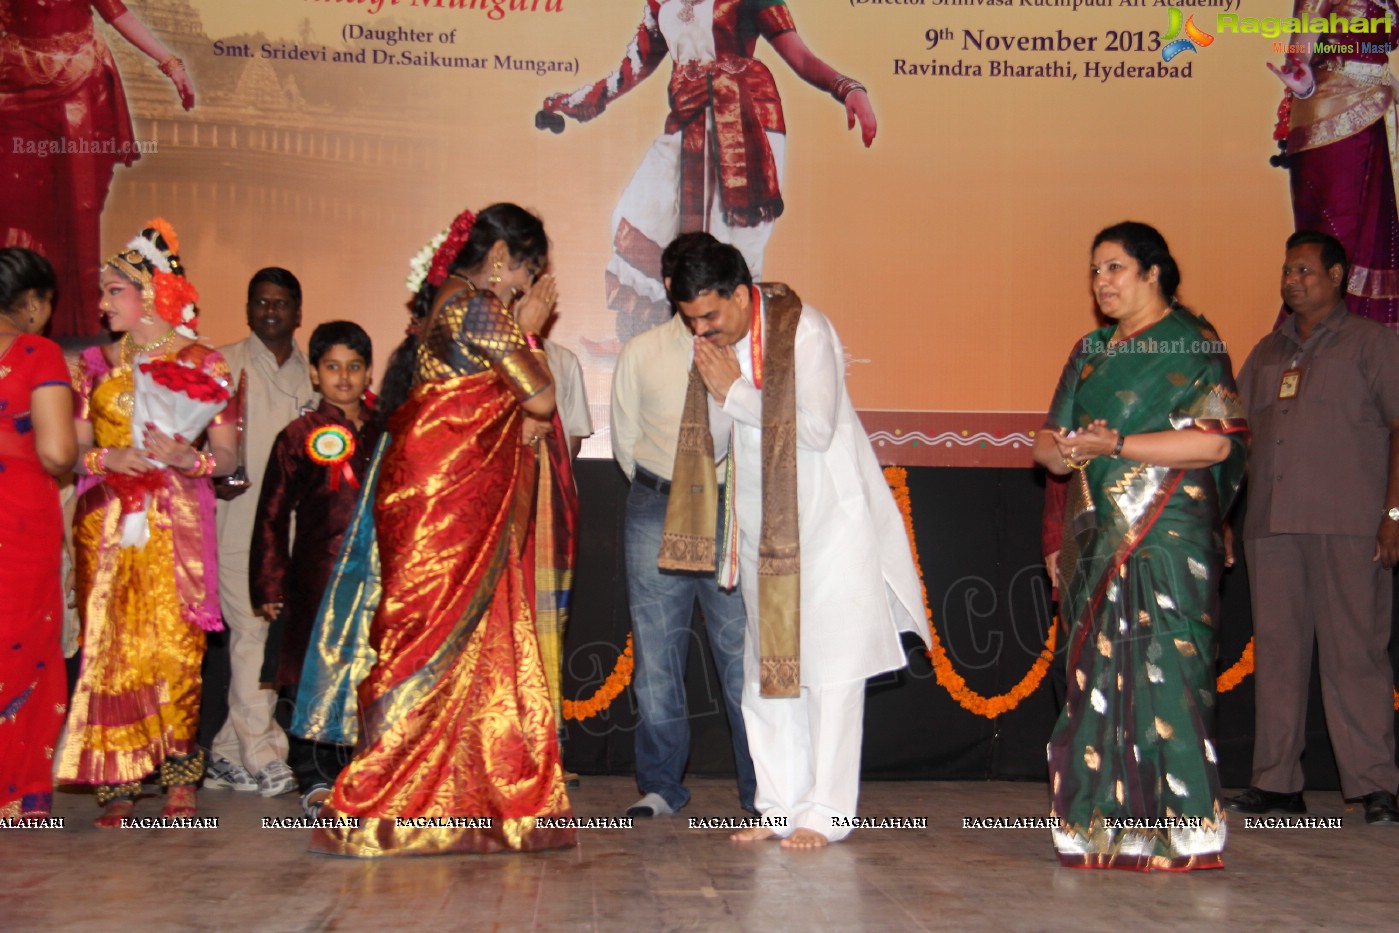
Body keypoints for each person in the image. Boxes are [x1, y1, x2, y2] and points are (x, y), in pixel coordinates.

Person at [308, 203, 576, 857]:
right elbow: (538, 397)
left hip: (433, 487)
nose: (524, 287)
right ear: (501, 258)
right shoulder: (479, 307)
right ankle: (391, 795)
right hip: (444, 497)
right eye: (526, 273)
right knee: (428, 640)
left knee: (449, 641)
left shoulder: (447, 306)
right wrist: (530, 330)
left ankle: (453, 797)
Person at [661, 234, 929, 847]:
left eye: (710, 315)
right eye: (690, 320)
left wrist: (732, 392)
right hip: (764, 532)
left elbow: (813, 427)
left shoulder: (804, 330)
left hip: (829, 527)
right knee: (766, 674)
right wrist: (720, 399)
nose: (702, 329)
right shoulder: (720, 345)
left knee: (830, 673)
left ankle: (827, 814)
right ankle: (779, 806)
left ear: (738, 291)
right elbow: (728, 438)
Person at [1032, 222, 1248, 871]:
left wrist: (1116, 447)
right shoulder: (1089, 350)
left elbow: (1214, 444)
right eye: (1095, 269)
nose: (1102, 281)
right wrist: (1068, 451)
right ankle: (1098, 822)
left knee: (1169, 672)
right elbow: (1046, 441)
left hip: (1170, 537)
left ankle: (1186, 824)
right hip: (1100, 538)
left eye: (1116, 267)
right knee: (1098, 674)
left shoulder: (1194, 343)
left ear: (1153, 272)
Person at [542, 0, 876, 346]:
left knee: (731, 247)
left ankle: (740, 354)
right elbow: (632, 68)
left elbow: (801, 57)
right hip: (687, 120)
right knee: (635, 214)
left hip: (745, 122)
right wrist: (577, 101)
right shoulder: (661, 3)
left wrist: (848, 89)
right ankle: (655, 340)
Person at [58, 219, 236, 826]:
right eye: (104, 291)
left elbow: (229, 458)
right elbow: (74, 450)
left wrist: (194, 458)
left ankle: (180, 773)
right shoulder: (92, 365)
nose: (103, 302)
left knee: (176, 647)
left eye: (114, 291)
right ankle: (118, 776)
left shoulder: (203, 361)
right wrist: (107, 458)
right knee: (108, 646)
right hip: (107, 520)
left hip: (175, 517)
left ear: (153, 293)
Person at [1227, 231, 1399, 825]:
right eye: (1286, 271)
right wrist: (1223, 516)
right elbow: (1232, 442)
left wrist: (1394, 514)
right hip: (1271, 529)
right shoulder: (1267, 352)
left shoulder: (1371, 345)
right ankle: (1277, 784)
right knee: (1277, 653)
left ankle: (1375, 785)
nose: (1291, 281)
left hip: (1348, 525)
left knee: (1355, 653)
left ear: (1337, 277)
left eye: (1304, 271)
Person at [611, 233, 756, 819]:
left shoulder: (751, 352)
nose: (704, 323)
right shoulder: (642, 353)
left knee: (742, 656)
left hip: (730, 507)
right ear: (670, 292)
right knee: (657, 657)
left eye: (712, 307)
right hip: (657, 505)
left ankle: (762, 793)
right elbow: (625, 444)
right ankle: (661, 787)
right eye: (690, 303)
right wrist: (670, 491)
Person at [0, 0, 195, 340]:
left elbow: (116, 12)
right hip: (15, 87)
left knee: (76, 211)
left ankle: (72, 333)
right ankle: (12, 325)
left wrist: (171, 63)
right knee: (15, 206)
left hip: (80, 90)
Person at [249, 321, 378, 819]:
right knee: (313, 677)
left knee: (368, 676)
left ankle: (367, 775)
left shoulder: (388, 428)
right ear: (315, 373)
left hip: (378, 580)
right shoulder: (299, 435)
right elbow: (272, 514)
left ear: (368, 371)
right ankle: (316, 778)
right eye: (332, 367)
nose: (343, 377)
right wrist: (269, 581)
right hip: (317, 579)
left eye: (353, 367)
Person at [206, 268, 317, 799]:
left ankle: (228, 755)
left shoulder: (314, 374)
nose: (270, 312)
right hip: (238, 521)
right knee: (250, 631)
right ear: (248, 308)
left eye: (281, 304)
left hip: (296, 528)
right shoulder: (221, 365)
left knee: (270, 639)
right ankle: (266, 753)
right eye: (261, 303)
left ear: (298, 312)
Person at [0, 247, 76, 819]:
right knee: (23, 645)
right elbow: (56, 451)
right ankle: (13, 795)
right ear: (28, 302)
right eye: (46, 304)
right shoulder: (37, 353)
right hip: (18, 516)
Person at [1268, 0, 1399, 327]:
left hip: (1374, 118)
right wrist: (1303, 81)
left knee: (1376, 241)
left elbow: (1378, 62)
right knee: (1336, 244)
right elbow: (1300, 57)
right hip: (1332, 125)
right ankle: (1311, 353)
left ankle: (1365, 352)